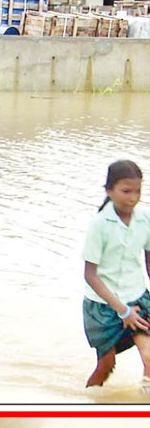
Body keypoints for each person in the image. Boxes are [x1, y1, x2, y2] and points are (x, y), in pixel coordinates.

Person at [81, 160, 150, 390]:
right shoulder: (99, 225)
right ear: (110, 190)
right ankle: (85, 405)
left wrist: (132, 308)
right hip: (103, 306)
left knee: (149, 356)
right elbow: (90, 275)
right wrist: (123, 311)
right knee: (106, 367)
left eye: (138, 191)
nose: (133, 197)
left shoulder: (145, 219)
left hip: (137, 297)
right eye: (126, 191)